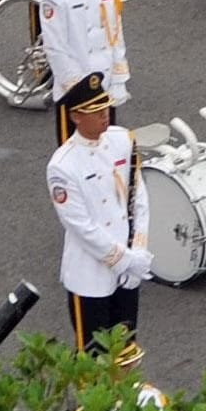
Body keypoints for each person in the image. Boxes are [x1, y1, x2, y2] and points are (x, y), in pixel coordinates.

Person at [47, 72, 150, 353]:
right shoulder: (63, 166)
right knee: (94, 358)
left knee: (127, 351)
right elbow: (80, 226)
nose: (104, 115)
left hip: (127, 269)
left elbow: (138, 197)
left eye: (105, 108)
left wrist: (139, 250)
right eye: (95, 112)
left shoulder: (122, 140)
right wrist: (124, 260)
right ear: (76, 116)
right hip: (90, 275)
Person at [36, 0, 130, 147]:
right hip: (76, 93)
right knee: (75, 158)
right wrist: (80, 90)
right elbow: (56, 48)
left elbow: (114, 31)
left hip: (105, 84)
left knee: (109, 153)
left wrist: (119, 77)